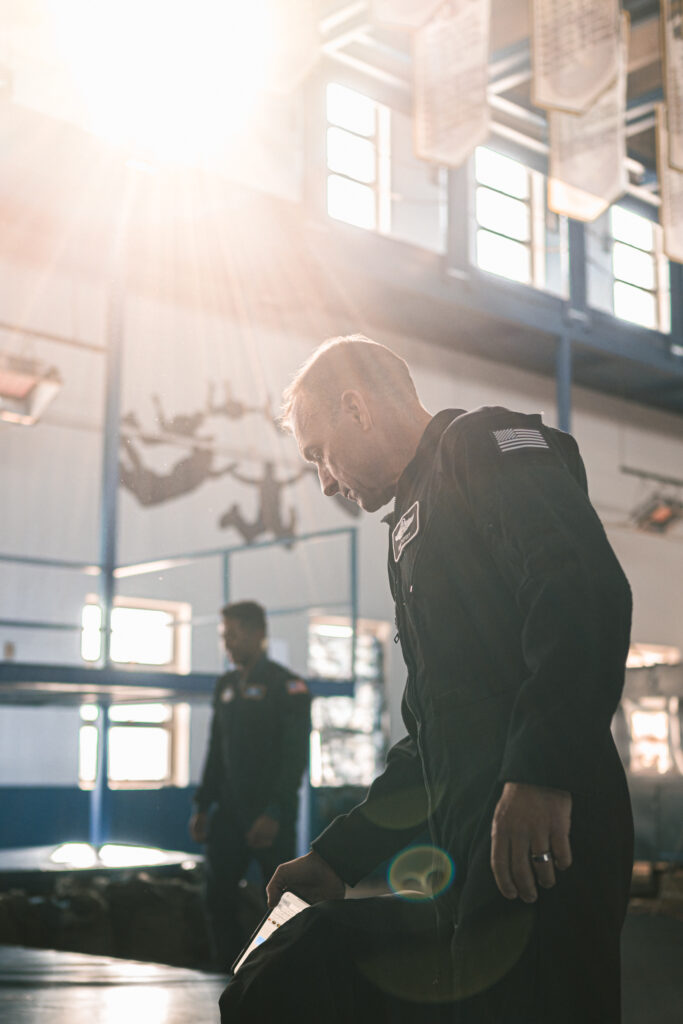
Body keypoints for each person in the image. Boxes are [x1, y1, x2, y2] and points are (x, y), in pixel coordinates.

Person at [219, 335, 634, 1023]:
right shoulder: (409, 530)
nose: (323, 480)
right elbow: (431, 737)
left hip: (542, 827)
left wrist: (542, 772)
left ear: (356, 407)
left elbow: (580, 588)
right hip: (472, 839)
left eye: (319, 451)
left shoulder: (479, 444)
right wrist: (337, 857)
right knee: (290, 971)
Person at [189, 600, 311, 970]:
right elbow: (215, 750)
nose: (228, 644)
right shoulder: (225, 686)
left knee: (282, 902)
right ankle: (225, 973)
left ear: (259, 634)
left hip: (270, 815)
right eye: (224, 636)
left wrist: (274, 812)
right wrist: (202, 805)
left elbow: (294, 759)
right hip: (228, 813)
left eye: (235, 635)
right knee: (217, 896)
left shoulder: (288, 687)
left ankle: (279, 973)